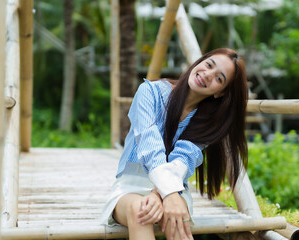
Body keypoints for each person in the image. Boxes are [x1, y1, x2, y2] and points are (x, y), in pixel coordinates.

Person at [100, 48, 248, 240]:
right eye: (208, 65)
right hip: (131, 187)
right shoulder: (149, 92)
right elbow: (150, 149)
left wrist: (162, 194)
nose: (207, 75)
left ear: (220, 93)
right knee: (140, 211)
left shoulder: (206, 122)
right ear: (198, 62)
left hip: (175, 189)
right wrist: (168, 194)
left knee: (177, 217)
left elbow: (182, 163)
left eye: (219, 78)